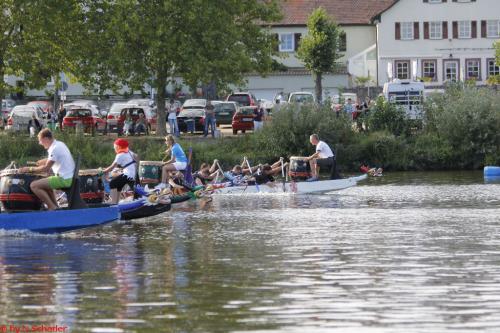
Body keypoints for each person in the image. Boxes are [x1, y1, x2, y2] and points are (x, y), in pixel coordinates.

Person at [18, 129, 75, 210]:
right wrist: (44, 161)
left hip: (64, 179)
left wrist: (29, 169)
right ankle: (55, 207)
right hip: (68, 177)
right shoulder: (59, 144)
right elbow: (53, 159)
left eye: (40, 141)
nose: (40, 143)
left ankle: (51, 206)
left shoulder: (54, 148)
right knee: (46, 185)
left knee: (34, 185)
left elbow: (46, 168)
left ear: (46, 139)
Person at [101, 139, 138, 204]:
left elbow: (112, 167)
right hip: (134, 173)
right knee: (119, 185)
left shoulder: (120, 155)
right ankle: (116, 202)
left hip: (128, 175)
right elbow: (136, 156)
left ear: (118, 147)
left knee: (112, 184)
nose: (114, 148)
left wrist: (103, 171)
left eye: (115, 147)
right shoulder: (128, 151)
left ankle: (113, 202)